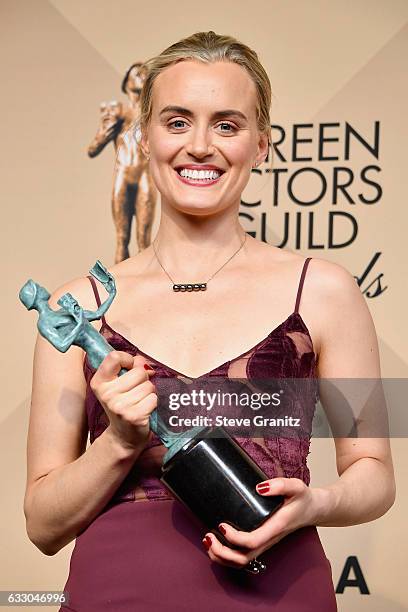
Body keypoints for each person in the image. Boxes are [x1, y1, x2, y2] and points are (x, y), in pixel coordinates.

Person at [24, 31, 395, 611]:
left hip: (281, 591)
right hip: (114, 595)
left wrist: (315, 504)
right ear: (145, 137)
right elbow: (42, 525)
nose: (200, 146)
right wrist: (119, 443)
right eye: (176, 122)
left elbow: (374, 474)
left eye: (227, 124)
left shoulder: (324, 292)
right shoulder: (76, 308)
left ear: (262, 144)